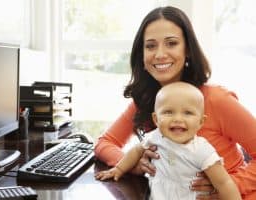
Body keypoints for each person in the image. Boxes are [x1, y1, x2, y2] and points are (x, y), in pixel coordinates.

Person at [94, 6, 256, 200]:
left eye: (171, 43)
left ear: (187, 49)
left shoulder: (217, 100)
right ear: (142, 55)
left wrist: (225, 186)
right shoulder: (146, 101)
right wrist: (133, 164)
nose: (160, 54)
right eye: (151, 46)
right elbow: (105, 143)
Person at [95, 82, 242, 200]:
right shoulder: (156, 137)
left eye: (188, 113)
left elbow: (224, 183)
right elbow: (136, 150)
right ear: (156, 119)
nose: (178, 119)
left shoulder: (202, 151)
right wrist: (119, 169)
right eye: (168, 112)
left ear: (200, 122)